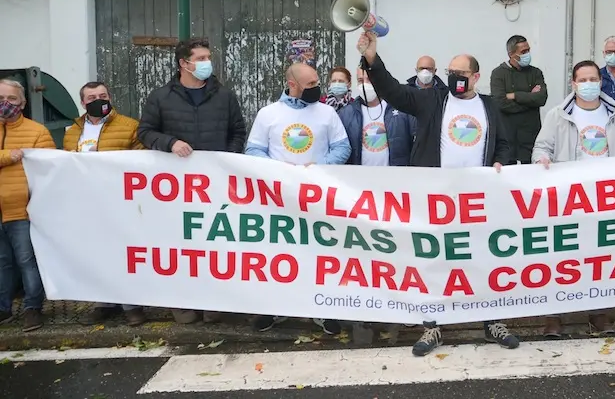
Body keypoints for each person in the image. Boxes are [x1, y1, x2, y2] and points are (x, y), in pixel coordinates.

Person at [357, 30, 519, 356]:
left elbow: (504, 142)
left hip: (476, 201)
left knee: (482, 260)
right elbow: (393, 91)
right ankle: (432, 326)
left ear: (475, 76)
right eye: (451, 73)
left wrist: (501, 161)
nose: (455, 78)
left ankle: (492, 322)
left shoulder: (489, 107)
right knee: (432, 262)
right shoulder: (432, 100)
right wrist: (372, 59)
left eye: (461, 73)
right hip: (436, 199)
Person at [137, 38, 247, 324]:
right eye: (199, 58)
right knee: (180, 244)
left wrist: (227, 160)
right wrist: (170, 142)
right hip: (177, 188)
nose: (206, 62)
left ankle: (214, 301)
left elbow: (237, 131)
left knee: (214, 242)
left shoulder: (224, 96)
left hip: (215, 186)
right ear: (183, 63)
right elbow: (145, 132)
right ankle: (183, 302)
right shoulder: (161, 97)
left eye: (207, 57)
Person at [532, 60, 615, 337]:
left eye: (593, 78)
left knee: (599, 257)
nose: (588, 84)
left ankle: (598, 315)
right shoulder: (558, 115)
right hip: (569, 198)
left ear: (601, 81)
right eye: (583, 80)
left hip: (605, 197)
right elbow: (541, 147)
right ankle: (553, 317)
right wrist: (541, 159)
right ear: (573, 83)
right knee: (562, 258)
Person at [245, 62, 350, 334]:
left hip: (317, 197)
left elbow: (342, 146)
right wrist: (280, 173)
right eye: (311, 84)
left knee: (319, 253)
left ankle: (323, 310)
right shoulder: (268, 114)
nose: (317, 88)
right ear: (293, 85)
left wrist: (316, 171)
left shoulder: (327, 113)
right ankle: (276, 308)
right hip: (279, 199)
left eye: (317, 82)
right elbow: (253, 150)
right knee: (280, 253)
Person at [65, 82, 148, 327]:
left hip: (119, 199)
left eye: (103, 95)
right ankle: (103, 302)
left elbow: (142, 159)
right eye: (92, 97)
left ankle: (131, 304)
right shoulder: (72, 131)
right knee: (96, 251)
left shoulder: (129, 125)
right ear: (83, 102)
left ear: (110, 97)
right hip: (87, 202)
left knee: (123, 251)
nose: (98, 100)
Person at [0, 79, 56, 332]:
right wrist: (7, 156)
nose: (6, 104)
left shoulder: (37, 132)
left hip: (22, 210)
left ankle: (33, 308)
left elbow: (49, 169)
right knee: (3, 262)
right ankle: (4, 309)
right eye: (1, 98)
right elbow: (9, 157)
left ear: (22, 103)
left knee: (27, 260)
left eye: (11, 99)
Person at [340, 67, 417, 167]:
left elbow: (415, 144)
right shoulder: (346, 113)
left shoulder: (402, 109)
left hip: (394, 178)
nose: (365, 84)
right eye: (360, 80)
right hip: (359, 179)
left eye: (369, 79)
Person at [490, 35, 548, 164]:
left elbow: (541, 98)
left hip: (531, 136)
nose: (527, 54)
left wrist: (515, 96)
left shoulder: (535, 73)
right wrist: (530, 100)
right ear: (511, 54)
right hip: (507, 137)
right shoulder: (498, 74)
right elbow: (500, 103)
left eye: (528, 50)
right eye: (523, 52)